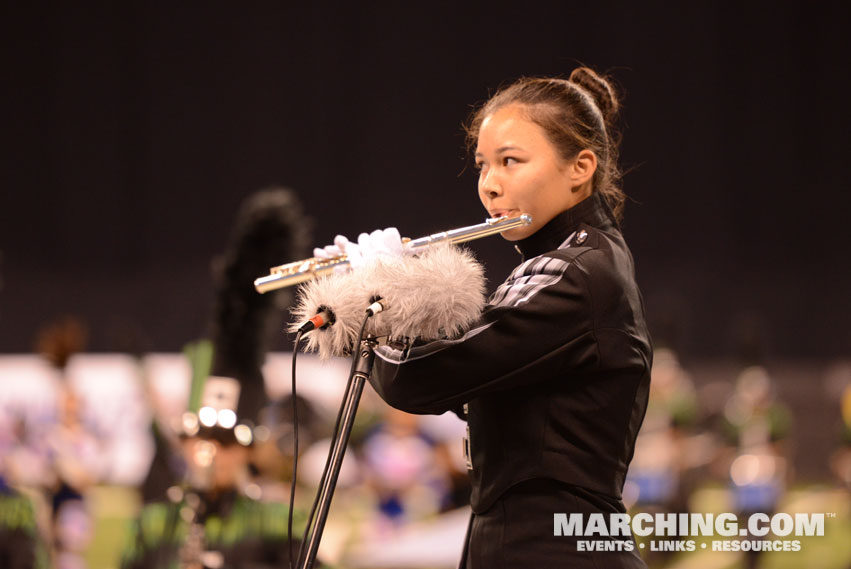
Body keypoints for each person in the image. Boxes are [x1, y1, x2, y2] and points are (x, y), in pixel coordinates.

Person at [307, 68, 651, 568]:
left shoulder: (575, 272)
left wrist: (374, 296)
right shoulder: (556, 265)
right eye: (483, 166)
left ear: (580, 167)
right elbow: (469, 384)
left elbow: (415, 379)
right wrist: (377, 299)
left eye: (510, 161)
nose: (489, 186)